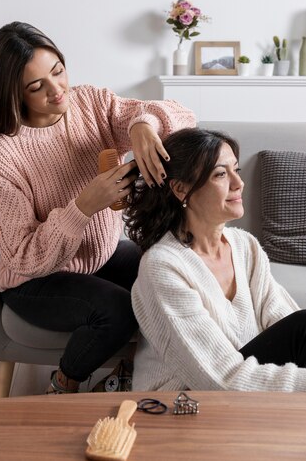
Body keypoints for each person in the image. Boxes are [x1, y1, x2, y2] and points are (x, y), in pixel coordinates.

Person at [0, 21, 196, 394]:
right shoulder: (1, 156)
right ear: (12, 93)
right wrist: (83, 208)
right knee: (119, 311)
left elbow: (183, 115)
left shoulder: (90, 103)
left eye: (58, 71)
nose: (57, 90)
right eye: (36, 86)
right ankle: (64, 382)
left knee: (173, 272)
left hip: (100, 255)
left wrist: (143, 124)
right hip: (35, 280)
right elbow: (24, 258)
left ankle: (139, 369)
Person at [124, 126, 306, 392]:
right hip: (184, 403)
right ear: (180, 189)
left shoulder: (245, 247)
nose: (238, 183)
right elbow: (219, 379)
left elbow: (286, 324)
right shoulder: (163, 266)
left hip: (240, 388)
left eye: (236, 170)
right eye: (221, 174)